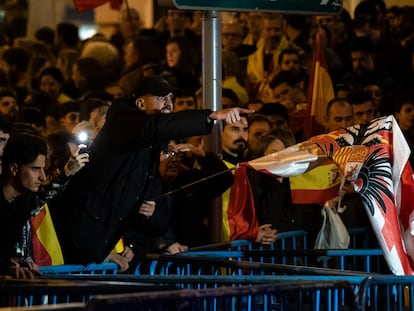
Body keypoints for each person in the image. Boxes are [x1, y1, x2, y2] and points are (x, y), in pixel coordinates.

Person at [48, 75, 253, 264]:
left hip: (101, 252)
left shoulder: (151, 152)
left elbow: (156, 220)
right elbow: (155, 126)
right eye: (162, 98)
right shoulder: (121, 117)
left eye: (171, 99)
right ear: (140, 103)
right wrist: (211, 116)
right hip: (72, 239)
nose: (169, 105)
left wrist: (135, 240)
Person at [0, 133, 47, 278]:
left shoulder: (23, 202)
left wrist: (15, 263)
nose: (42, 177)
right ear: (14, 169)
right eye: (35, 169)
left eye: (43, 168)